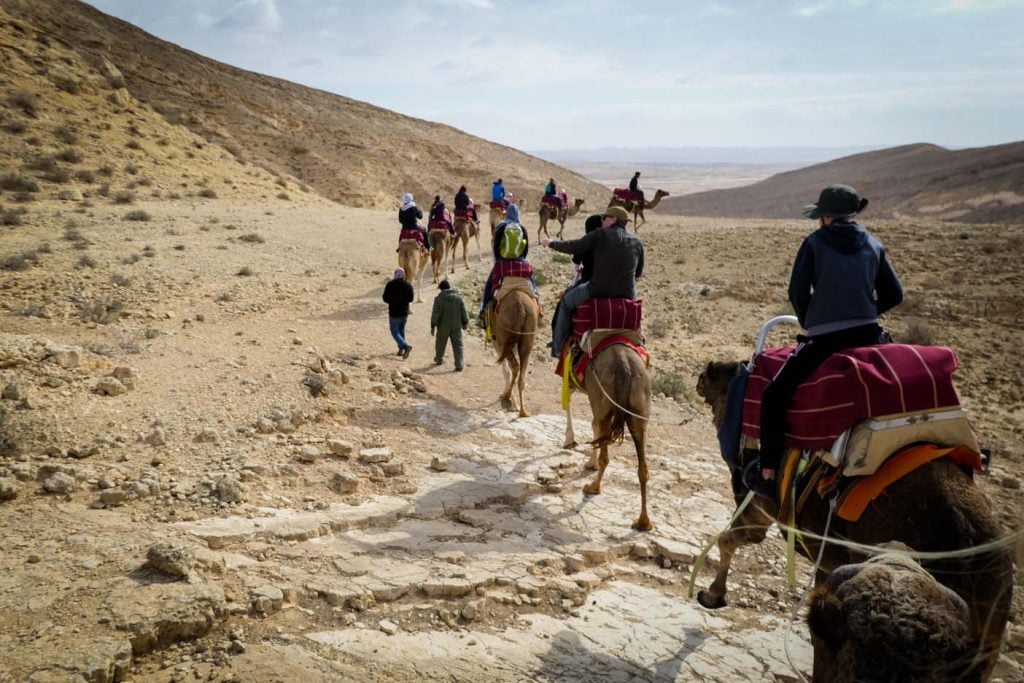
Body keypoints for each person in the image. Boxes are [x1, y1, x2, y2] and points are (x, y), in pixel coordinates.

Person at [750, 184, 903, 498]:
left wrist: (813, 320)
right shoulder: (874, 243)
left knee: (775, 395)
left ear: (825, 217)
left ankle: (767, 473)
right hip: (870, 335)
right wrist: (866, 310)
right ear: (852, 214)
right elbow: (895, 294)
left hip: (827, 339)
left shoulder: (815, 243)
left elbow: (797, 292)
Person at [542, 205, 644, 358]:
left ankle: (557, 347)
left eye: (604, 218)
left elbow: (575, 246)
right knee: (635, 308)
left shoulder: (600, 234)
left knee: (566, 303)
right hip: (626, 294)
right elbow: (638, 274)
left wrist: (551, 243)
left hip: (596, 289)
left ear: (612, 219)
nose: (602, 221)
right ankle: (640, 343)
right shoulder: (637, 242)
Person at [479, 203, 537, 325]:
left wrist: (498, 262)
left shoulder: (500, 226)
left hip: (502, 262)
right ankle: (538, 304)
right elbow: (525, 250)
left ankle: (483, 311)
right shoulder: (521, 228)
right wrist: (520, 261)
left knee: (489, 285)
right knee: (531, 278)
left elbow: (495, 248)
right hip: (520, 261)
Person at [549, 213, 603, 342]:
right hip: (614, 285)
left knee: (565, 303)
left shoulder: (585, 242)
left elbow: (575, 264)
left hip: (589, 284)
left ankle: (558, 343)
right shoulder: (611, 242)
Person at [431, 280, 470, 371]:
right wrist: (465, 322)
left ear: (441, 289)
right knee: (458, 345)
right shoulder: (459, 298)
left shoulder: (438, 299)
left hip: (443, 326)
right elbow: (464, 311)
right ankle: (459, 364)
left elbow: (435, 313)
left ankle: (439, 359)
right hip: (456, 325)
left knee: (440, 344)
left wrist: (433, 325)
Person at [382, 267, 415, 359]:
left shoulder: (390, 284)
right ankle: (401, 350)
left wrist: (393, 301)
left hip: (394, 312)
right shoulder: (408, 285)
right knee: (401, 330)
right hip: (404, 313)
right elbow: (411, 299)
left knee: (394, 331)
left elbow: (385, 298)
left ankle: (405, 346)